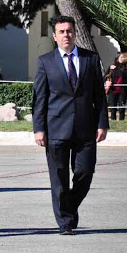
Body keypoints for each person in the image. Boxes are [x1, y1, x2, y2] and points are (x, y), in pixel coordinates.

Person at [33, 15, 109, 235]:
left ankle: (68, 206)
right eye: (61, 32)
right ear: (55, 37)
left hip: (85, 129)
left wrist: (102, 123)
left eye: (69, 31)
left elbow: (99, 97)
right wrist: (39, 129)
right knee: (58, 179)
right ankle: (65, 223)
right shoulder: (45, 61)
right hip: (56, 129)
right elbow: (40, 98)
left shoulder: (90, 59)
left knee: (85, 173)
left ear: (75, 33)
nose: (66, 35)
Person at [105, 54, 127, 121]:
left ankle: (121, 119)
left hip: (122, 89)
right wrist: (107, 82)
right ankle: (113, 119)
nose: (122, 58)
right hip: (113, 89)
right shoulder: (111, 67)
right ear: (117, 58)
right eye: (121, 57)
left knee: (122, 105)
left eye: (123, 57)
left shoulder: (126, 67)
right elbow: (105, 77)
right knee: (113, 106)